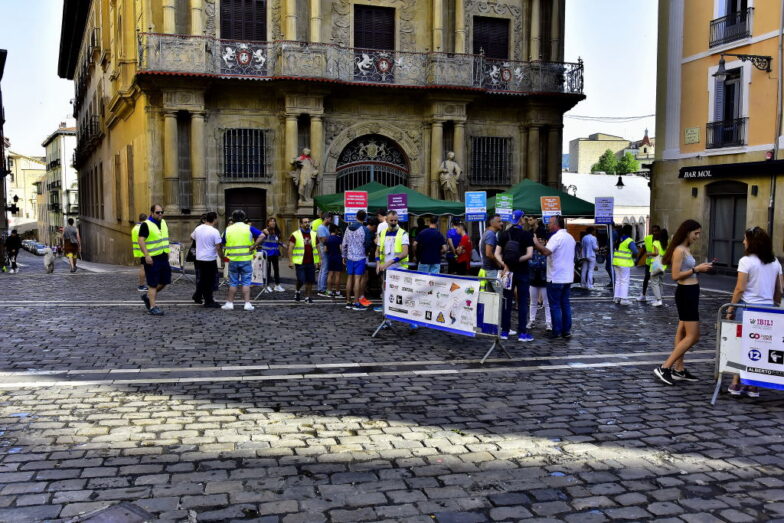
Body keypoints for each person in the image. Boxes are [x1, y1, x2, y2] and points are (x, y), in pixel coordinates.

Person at [653, 219, 713, 386]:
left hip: (691, 292)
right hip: (686, 293)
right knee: (694, 336)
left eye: (699, 233)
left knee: (683, 331)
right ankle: (665, 367)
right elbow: (675, 275)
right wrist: (696, 269)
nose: (698, 236)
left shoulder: (686, 249)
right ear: (687, 232)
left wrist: (699, 269)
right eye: (696, 233)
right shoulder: (679, 250)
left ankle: (679, 369)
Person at [726, 227, 783, 397]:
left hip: (748, 308)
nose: (743, 242)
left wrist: (730, 309)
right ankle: (753, 385)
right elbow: (779, 289)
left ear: (752, 242)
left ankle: (736, 382)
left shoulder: (746, 261)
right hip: (768, 310)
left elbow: (739, 288)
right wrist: (775, 304)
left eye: (745, 239)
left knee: (741, 345)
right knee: (761, 347)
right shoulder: (775, 262)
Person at [533, 215, 576, 339]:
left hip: (556, 277)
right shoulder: (570, 237)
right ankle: (566, 331)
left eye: (550, 223)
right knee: (565, 304)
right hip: (567, 276)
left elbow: (546, 252)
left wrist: (536, 243)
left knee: (555, 305)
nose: (548, 225)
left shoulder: (556, 237)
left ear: (556, 224)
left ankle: (556, 331)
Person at [495, 210, 534, 342]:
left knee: (506, 301)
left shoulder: (504, 234)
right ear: (521, 219)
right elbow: (529, 255)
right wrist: (516, 261)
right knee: (523, 302)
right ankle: (522, 333)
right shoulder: (527, 235)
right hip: (522, 272)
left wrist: (506, 265)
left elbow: (496, 254)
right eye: (524, 217)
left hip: (507, 272)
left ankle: (505, 331)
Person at [222, 210, 262, 311]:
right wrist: (254, 246)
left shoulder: (228, 229)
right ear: (244, 218)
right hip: (246, 260)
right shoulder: (249, 228)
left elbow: (221, 242)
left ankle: (230, 303)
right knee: (246, 282)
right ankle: (247, 304)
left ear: (233, 218)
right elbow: (262, 235)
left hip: (233, 260)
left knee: (233, 283)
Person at [137, 204, 171, 316]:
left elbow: (164, 239)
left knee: (165, 281)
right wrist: (146, 255)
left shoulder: (164, 223)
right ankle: (152, 306)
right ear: (152, 213)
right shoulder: (146, 224)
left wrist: (168, 251)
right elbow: (141, 240)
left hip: (163, 257)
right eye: (158, 212)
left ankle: (148, 297)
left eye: (162, 212)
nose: (160, 214)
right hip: (152, 258)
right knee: (153, 283)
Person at [191, 211, 223, 308]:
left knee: (203, 279)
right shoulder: (214, 231)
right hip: (209, 258)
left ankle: (197, 295)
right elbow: (218, 247)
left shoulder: (198, 228)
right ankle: (208, 301)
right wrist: (222, 258)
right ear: (214, 219)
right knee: (209, 280)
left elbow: (191, 237)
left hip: (200, 257)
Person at [289, 216, 320, 303]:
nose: (307, 224)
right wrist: (291, 261)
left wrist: (319, 260)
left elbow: (317, 247)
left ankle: (307, 297)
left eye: (308, 222)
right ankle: (297, 291)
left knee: (310, 280)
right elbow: (290, 248)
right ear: (301, 224)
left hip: (311, 261)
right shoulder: (295, 234)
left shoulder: (313, 234)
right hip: (300, 261)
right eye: (305, 222)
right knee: (301, 279)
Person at [342, 210, 369, 310]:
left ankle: (348, 301)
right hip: (360, 256)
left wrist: (344, 256)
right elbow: (368, 244)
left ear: (356, 217)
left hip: (350, 256)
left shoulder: (348, 228)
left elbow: (344, 244)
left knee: (349, 278)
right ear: (364, 218)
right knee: (357, 279)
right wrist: (366, 253)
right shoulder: (364, 229)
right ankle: (356, 302)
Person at [528, 229, 552, 331]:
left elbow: (545, 265)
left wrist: (536, 265)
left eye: (542, 239)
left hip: (544, 280)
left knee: (547, 303)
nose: (540, 241)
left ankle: (548, 323)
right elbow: (529, 263)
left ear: (545, 241)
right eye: (539, 239)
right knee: (533, 302)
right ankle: (532, 320)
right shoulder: (532, 251)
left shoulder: (547, 250)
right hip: (533, 279)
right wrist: (539, 264)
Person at [612, 224, 639, 306]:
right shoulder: (629, 240)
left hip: (616, 262)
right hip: (624, 264)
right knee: (624, 281)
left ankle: (616, 298)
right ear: (630, 231)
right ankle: (624, 299)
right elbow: (635, 252)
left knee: (618, 281)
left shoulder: (618, 239)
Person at [479, 214, 504, 290]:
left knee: (491, 297)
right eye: (499, 221)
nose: (502, 223)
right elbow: (488, 253)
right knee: (499, 295)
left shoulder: (488, 233)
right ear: (492, 223)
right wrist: (498, 262)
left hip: (488, 270)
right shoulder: (490, 234)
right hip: (492, 271)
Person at [261, 217, 286, 292]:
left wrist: (282, 244)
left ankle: (277, 285)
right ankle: (266, 286)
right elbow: (261, 237)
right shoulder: (265, 231)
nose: (273, 222)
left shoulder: (277, 231)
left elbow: (276, 240)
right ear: (268, 223)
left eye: (274, 221)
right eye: (271, 221)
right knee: (267, 270)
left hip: (275, 253)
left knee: (276, 270)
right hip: (267, 253)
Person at [638, 225, 661, 302]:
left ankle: (658, 298)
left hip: (657, 263)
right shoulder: (648, 238)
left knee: (657, 281)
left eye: (656, 231)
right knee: (646, 278)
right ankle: (643, 295)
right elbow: (644, 249)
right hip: (649, 263)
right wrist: (638, 259)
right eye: (653, 231)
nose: (654, 232)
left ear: (659, 231)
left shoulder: (661, 239)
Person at [649, 228, 669, 307]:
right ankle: (660, 298)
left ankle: (658, 300)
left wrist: (648, 254)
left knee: (654, 282)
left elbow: (656, 253)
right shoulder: (666, 243)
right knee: (660, 282)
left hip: (656, 264)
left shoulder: (656, 242)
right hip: (663, 265)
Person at [316, 212, 333, 297]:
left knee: (323, 269)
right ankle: (322, 289)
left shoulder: (325, 227)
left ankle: (320, 288)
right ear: (326, 218)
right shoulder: (321, 228)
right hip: (324, 250)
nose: (331, 220)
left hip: (326, 249)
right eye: (330, 218)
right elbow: (323, 240)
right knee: (324, 269)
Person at [131, 214, 149, 291]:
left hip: (138, 250)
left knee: (144, 267)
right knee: (143, 268)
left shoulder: (135, 228)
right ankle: (141, 286)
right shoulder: (143, 228)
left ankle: (143, 285)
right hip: (144, 250)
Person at [326, 224, 343, 298]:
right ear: (335, 230)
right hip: (337, 257)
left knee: (330, 274)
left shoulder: (328, 239)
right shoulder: (338, 238)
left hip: (330, 257)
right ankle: (337, 292)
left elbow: (325, 249)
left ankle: (329, 291)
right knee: (337, 275)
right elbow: (341, 249)